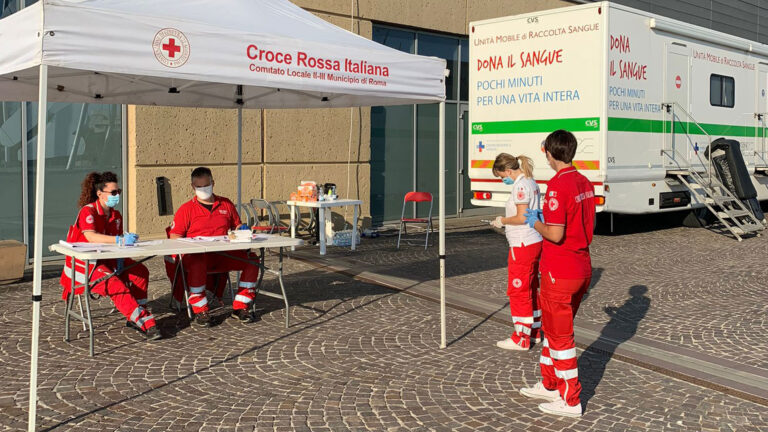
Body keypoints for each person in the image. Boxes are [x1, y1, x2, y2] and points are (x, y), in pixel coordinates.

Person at [519, 129, 595, 418]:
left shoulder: (557, 185)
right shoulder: (584, 181)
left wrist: (535, 223)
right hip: (581, 266)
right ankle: (550, 383)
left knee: (561, 338)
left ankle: (570, 399)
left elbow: (555, 234)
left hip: (559, 271)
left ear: (550, 154)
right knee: (552, 331)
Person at [60, 171, 161, 341]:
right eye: (113, 192)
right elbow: (91, 236)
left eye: (118, 192)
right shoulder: (88, 211)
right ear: (100, 193)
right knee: (115, 285)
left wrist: (123, 249)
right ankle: (145, 322)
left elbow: (115, 242)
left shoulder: (116, 215)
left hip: (107, 259)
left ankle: (135, 314)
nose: (117, 195)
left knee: (140, 271)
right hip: (85, 264)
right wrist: (119, 240)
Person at [169, 167, 261, 327]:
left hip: (224, 254)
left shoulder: (226, 204)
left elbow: (237, 225)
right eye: (199, 187)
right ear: (193, 187)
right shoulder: (186, 209)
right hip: (198, 257)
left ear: (213, 183)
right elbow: (174, 236)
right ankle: (201, 310)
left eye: (206, 185)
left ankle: (241, 306)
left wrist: (242, 229)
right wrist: (191, 245)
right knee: (197, 264)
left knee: (252, 261)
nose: (203, 189)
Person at [489, 153, 542, 351]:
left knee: (518, 290)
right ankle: (534, 331)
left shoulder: (520, 186)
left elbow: (521, 217)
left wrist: (502, 220)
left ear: (508, 171)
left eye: (502, 176)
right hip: (534, 241)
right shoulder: (531, 181)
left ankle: (521, 338)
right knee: (531, 288)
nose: (502, 180)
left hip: (522, 243)